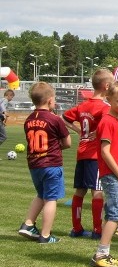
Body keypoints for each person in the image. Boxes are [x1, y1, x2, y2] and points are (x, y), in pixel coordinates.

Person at [90, 80, 118, 267]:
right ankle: (100, 254)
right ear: (109, 99)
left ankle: (105, 252)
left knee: (113, 212)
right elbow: (105, 152)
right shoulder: (107, 122)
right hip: (111, 174)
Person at [18, 82, 72, 244]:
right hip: (51, 163)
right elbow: (67, 142)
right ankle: (46, 235)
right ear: (50, 100)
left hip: (34, 164)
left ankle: (28, 224)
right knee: (51, 199)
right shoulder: (54, 119)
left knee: (41, 195)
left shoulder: (28, 119)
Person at [62, 68, 113, 238]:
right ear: (107, 86)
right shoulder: (104, 107)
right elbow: (107, 123)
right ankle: (98, 229)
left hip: (82, 152)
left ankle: (76, 228)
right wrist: (96, 133)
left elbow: (65, 117)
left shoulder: (83, 105)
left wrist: (79, 131)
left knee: (79, 191)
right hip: (95, 155)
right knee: (97, 191)